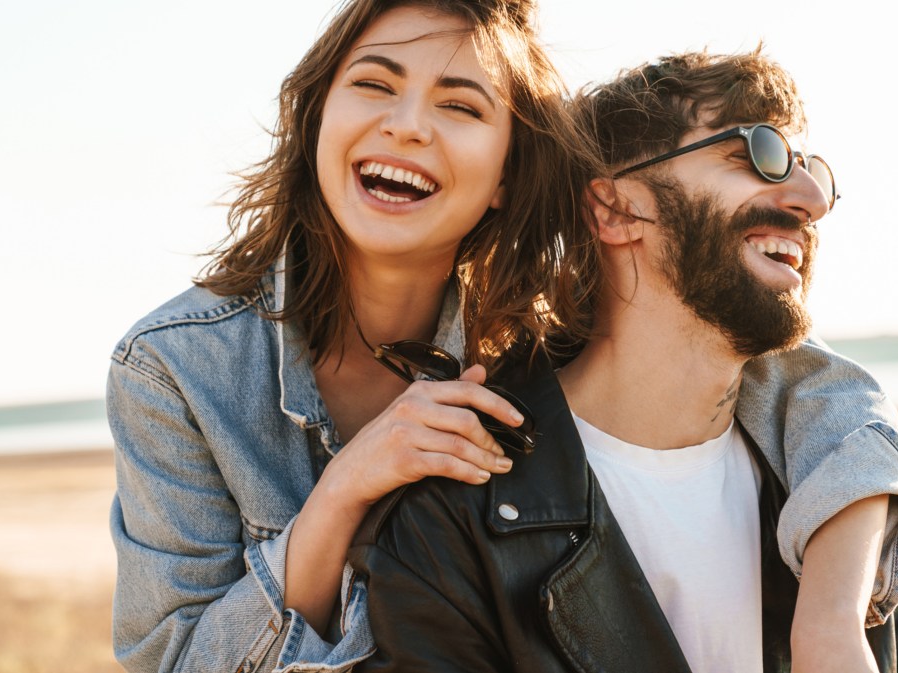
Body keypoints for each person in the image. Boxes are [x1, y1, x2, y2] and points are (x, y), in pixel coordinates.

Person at [349, 48, 898, 672]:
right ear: (616, 209)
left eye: (812, 169)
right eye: (760, 153)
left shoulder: (828, 496)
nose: (811, 198)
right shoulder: (453, 521)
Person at [106, 1, 600, 671]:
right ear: (317, 118)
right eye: (374, 84)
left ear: (507, 177)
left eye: (460, 106)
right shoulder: (174, 367)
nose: (405, 127)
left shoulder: (555, 360)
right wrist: (345, 491)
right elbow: (176, 661)